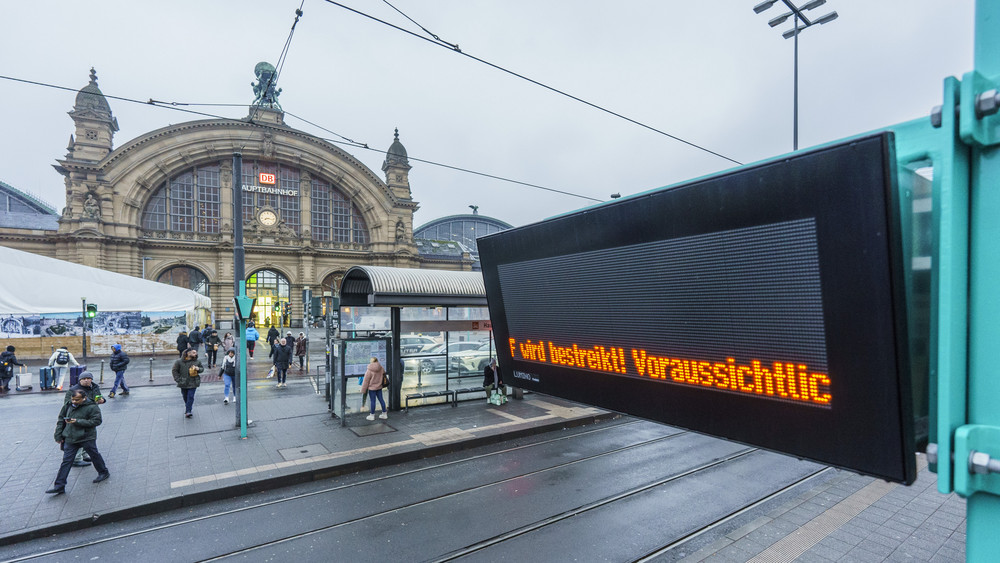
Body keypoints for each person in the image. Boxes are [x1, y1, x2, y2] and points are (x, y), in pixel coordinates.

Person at [45, 389, 110, 494]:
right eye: (73, 399)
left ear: (84, 398)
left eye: (77, 400)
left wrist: (78, 421)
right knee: (66, 461)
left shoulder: (92, 407)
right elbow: (61, 420)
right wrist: (58, 435)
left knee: (94, 455)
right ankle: (59, 485)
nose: (74, 401)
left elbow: (97, 421)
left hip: (86, 437)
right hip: (70, 437)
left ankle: (103, 472)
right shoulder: (68, 405)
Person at [63, 371, 105, 466]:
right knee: (79, 436)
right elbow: (67, 404)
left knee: (87, 436)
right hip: (78, 416)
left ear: (91, 379)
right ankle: (76, 459)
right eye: (83, 379)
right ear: (80, 380)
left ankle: (84, 455)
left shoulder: (94, 387)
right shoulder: (73, 390)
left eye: (88, 378)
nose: (86, 380)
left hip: (90, 416)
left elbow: (99, 396)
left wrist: (102, 400)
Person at [172, 348, 203, 418]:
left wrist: (198, 369)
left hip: (193, 382)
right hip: (183, 382)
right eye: (194, 352)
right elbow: (174, 370)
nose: (196, 354)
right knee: (185, 396)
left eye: (196, 353)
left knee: (190, 396)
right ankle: (188, 406)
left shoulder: (197, 361)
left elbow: (202, 369)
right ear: (188, 353)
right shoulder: (179, 362)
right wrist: (178, 379)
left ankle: (188, 410)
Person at [360, 357, 387, 421]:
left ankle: (372, 415)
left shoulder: (369, 370)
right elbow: (384, 375)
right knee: (381, 400)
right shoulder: (381, 368)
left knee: (373, 401)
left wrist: (363, 390)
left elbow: (366, 381)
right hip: (379, 387)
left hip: (372, 388)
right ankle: (384, 414)